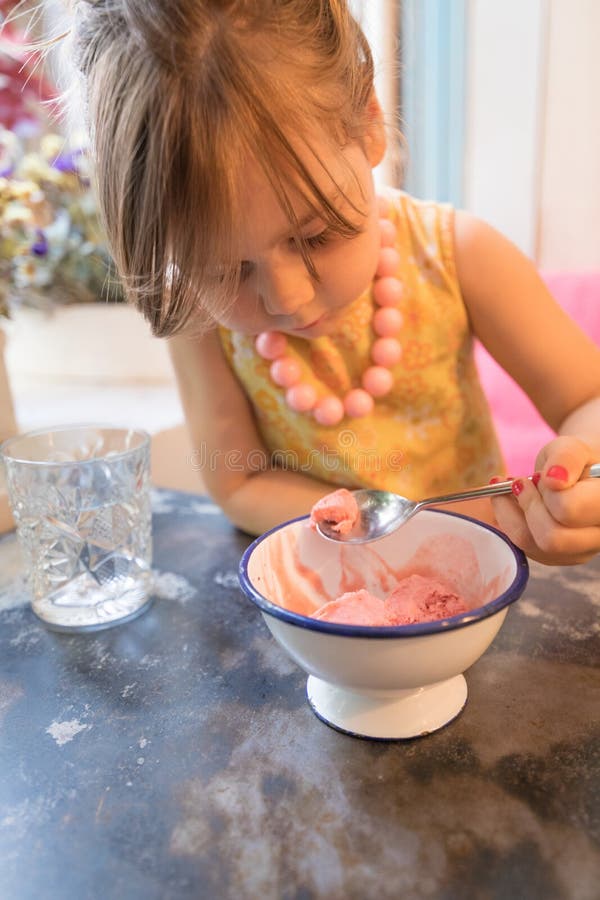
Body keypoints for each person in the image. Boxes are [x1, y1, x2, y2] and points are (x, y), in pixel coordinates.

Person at [69, 0, 600, 564]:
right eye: (227, 270)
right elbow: (239, 482)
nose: (288, 299)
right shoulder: (198, 318)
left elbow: (587, 398)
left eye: (314, 236)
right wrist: (367, 530)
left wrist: (579, 478)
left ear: (370, 125)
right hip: (316, 605)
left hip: (473, 579)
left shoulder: (460, 256)